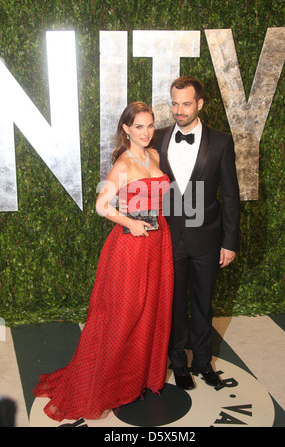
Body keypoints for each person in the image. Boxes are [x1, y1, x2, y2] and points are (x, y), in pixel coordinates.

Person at [33, 102, 174, 421]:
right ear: (126, 129)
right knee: (123, 316)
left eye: (150, 126)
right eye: (139, 126)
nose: (146, 132)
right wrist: (131, 223)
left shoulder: (153, 155)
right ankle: (105, 383)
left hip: (158, 243)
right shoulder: (123, 164)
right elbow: (101, 205)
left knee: (150, 311)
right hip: (130, 248)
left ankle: (138, 378)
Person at [155, 76, 240, 390]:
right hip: (169, 237)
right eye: (175, 103)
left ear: (200, 104)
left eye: (186, 103)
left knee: (204, 303)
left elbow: (230, 194)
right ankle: (177, 362)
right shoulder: (159, 138)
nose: (179, 110)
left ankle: (203, 363)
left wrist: (229, 242)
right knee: (174, 303)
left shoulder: (221, 141)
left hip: (207, 238)